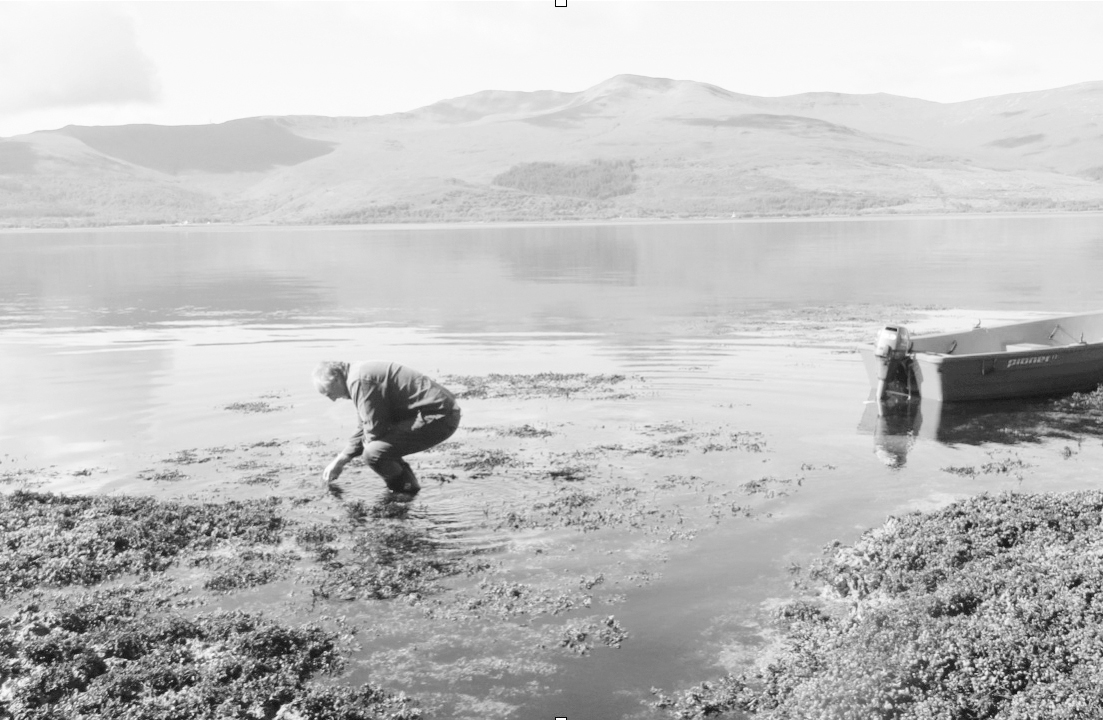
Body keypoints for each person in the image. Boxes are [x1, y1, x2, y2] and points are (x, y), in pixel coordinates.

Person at [313, 360, 461, 496]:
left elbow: (374, 430)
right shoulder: (358, 375)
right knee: (379, 446)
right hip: (440, 412)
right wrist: (341, 459)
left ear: (337, 378)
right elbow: (365, 424)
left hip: (440, 416)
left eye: (329, 393)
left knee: (373, 453)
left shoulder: (359, 380)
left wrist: (352, 455)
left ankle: (405, 492)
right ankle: (407, 487)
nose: (332, 399)